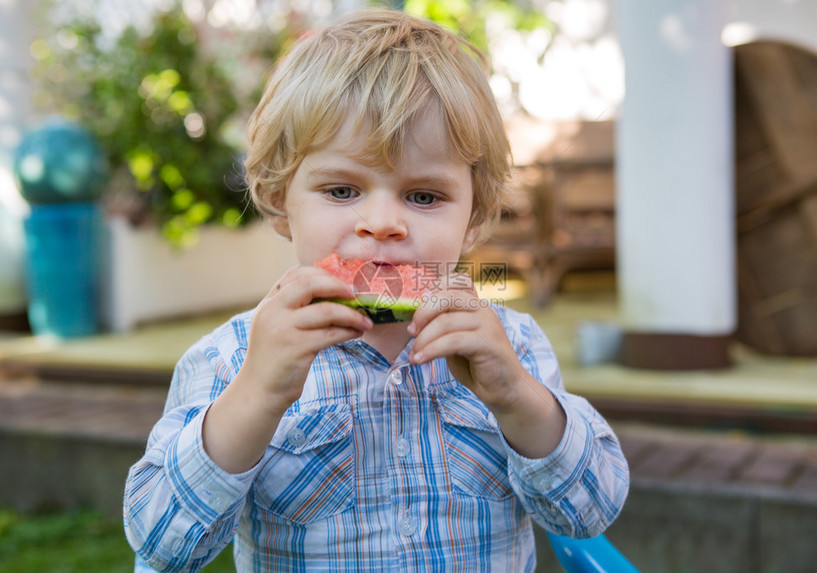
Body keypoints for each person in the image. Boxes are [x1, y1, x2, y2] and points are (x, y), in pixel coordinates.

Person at [123, 9, 629, 572]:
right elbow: (161, 546)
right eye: (342, 190)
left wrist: (516, 397)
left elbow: (590, 514)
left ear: (477, 215)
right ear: (277, 198)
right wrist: (255, 395)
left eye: (424, 197)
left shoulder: (512, 347)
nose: (382, 223)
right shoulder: (231, 358)